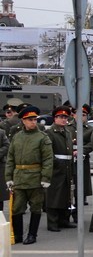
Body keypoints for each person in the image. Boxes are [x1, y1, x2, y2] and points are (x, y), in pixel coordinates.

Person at [4, 105, 53, 244]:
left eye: (34, 119)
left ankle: (32, 235)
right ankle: (18, 235)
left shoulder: (42, 137)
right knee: (17, 208)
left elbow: (48, 159)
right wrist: (8, 177)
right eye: (30, 119)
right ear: (23, 121)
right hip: (19, 177)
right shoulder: (17, 137)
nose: (33, 122)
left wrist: (45, 178)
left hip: (35, 178)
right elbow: (10, 158)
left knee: (36, 207)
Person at [44, 105, 75, 232]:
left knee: (66, 195)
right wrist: (56, 163)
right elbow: (48, 153)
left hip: (67, 166)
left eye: (65, 117)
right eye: (60, 117)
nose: (63, 119)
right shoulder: (50, 133)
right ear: (55, 118)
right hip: (57, 168)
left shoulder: (67, 132)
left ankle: (64, 220)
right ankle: (52, 222)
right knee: (54, 196)